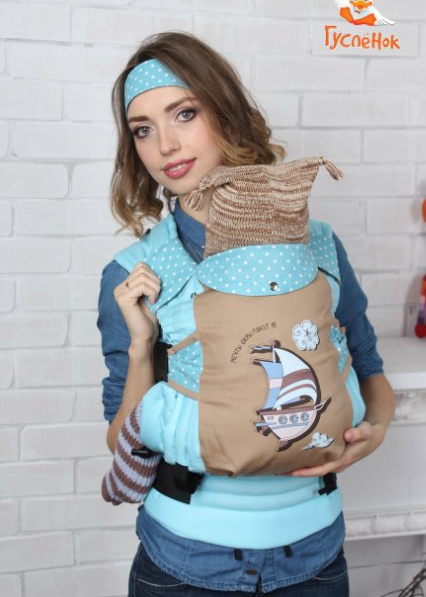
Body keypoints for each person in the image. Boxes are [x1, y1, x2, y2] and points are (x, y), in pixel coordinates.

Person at [97, 31, 396, 596]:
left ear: (225, 113)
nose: (165, 145)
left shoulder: (318, 246)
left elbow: (369, 366)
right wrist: (140, 348)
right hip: (183, 564)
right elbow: (123, 438)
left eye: (184, 113)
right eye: (143, 129)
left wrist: (375, 431)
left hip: (315, 558)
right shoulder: (133, 274)